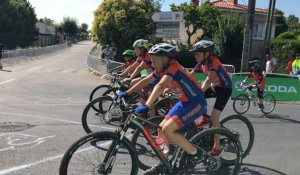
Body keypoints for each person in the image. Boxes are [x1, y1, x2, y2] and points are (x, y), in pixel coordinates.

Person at [118, 43, 208, 174]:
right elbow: (146, 80)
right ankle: (165, 161)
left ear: (165, 59)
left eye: (154, 61)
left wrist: (147, 105)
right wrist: (127, 92)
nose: (152, 64)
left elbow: (160, 85)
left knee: (168, 129)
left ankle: (195, 153)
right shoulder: (163, 68)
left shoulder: (174, 68)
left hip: (196, 102)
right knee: (160, 128)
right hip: (184, 102)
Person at [190, 40, 232, 155]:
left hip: (224, 89)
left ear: (206, 53)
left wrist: (199, 91)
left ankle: (217, 147)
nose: (195, 56)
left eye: (197, 53)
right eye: (195, 53)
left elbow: (208, 81)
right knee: (195, 97)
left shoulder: (214, 62)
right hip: (215, 87)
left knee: (214, 117)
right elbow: (188, 76)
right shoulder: (201, 64)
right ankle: (204, 116)